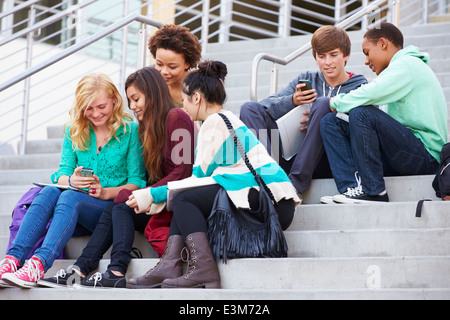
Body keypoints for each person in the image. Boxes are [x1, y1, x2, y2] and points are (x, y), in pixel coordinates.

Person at [126, 60, 301, 289]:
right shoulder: (225, 120)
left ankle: (203, 270)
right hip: (275, 203)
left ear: (196, 98)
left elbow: (194, 182)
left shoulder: (215, 123)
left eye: (185, 98)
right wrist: (154, 197)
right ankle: (170, 264)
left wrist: (150, 195)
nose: (182, 104)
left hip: (267, 205)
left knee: (184, 198)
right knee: (185, 197)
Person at [39, 68, 195, 288]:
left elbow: (183, 171)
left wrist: (146, 192)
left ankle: (114, 269)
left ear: (153, 93)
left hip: (174, 199)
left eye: (136, 99)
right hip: (159, 197)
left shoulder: (178, 116)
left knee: (120, 206)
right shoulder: (148, 128)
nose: (132, 107)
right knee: (117, 206)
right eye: (130, 100)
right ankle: (82, 269)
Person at [0, 73, 147, 288]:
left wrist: (105, 192)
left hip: (106, 210)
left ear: (114, 100)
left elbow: (137, 181)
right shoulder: (74, 130)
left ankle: (38, 265)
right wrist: (71, 180)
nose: (95, 114)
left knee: (69, 198)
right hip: (70, 213)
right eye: (88, 108)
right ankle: (12, 261)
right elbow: (60, 173)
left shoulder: (130, 131)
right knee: (50, 191)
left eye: (101, 106)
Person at [320, 22, 448, 204]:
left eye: (367, 52)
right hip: (404, 153)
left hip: (425, 156)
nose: (366, 61)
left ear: (382, 44)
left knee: (362, 112)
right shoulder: (401, 69)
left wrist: (336, 101)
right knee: (330, 122)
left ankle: (375, 192)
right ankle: (352, 188)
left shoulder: (408, 64)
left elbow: (371, 92)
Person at [240, 26, 368, 199]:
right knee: (250, 108)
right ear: (315, 58)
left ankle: (295, 186)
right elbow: (264, 105)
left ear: (346, 55)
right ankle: (268, 179)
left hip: (329, 160)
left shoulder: (359, 85)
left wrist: (320, 120)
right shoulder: (309, 79)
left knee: (323, 105)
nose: (327, 62)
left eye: (333, 54)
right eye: (321, 56)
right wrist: (292, 101)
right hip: (293, 153)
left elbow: (365, 128)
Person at [149, 24, 202, 108]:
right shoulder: (149, 76)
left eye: (172, 67)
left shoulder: (199, 87)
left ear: (187, 63)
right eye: (159, 64)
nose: (164, 72)